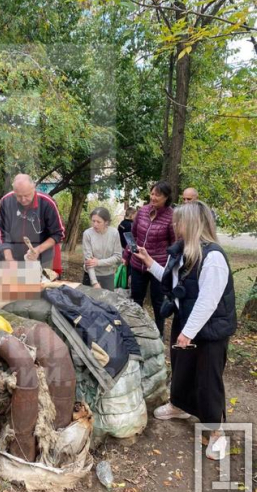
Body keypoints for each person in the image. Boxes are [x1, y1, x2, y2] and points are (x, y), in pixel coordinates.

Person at [134, 201, 236, 460]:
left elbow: (208, 301)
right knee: (181, 368)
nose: (174, 225)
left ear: (191, 224)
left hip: (210, 330)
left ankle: (216, 432)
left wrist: (188, 332)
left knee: (207, 378)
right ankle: (179, 405)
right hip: (186, 322)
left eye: (178, 221)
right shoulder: (183, 253)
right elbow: (172, 282)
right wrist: (149, 262)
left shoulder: (212, 257)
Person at [123, 181, 175, 336]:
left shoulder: (171, 216)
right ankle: (135, 331)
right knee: (136, 299)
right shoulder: (143, 211)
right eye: (152, 193)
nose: (153, 197)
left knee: (158, 302)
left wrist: (170, 266)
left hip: (158, 267)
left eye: (157, 195)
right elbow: (133, 235)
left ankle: (159, 334)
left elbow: (174, 244)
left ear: (166, 197)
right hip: (137, 264)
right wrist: (126, 255)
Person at [0, 174, 65, 270]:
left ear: (34, 188)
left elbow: (58, 234)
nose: (23, 200)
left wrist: (38, 250)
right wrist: (9, 258)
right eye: (19, 196)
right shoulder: (6, 202)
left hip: (43, 258)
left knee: (43, 284)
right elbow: (4, 233)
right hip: (16, 257)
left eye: (26, 195)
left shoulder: (47, 203)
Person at [82, 207, 122, 290]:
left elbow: (118, 256)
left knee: (107, 302)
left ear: (106, 222)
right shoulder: (87, 234)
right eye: (93, 221)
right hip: (90, 275)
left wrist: (98, 262)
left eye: (98, 222)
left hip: (108, 275)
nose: (95, 224)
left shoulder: (114, 233)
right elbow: (89, 261)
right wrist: (94, 282)